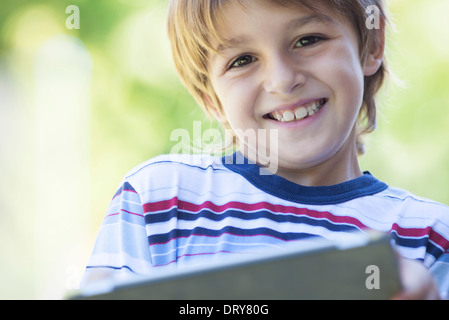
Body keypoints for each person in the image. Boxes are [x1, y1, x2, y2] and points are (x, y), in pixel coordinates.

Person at [81, 0, 449, 299]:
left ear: (372, 44)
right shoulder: (160, 199)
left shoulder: (429, 235)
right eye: (242, 60)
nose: (283, 80)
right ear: (211, 99)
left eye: (308, 40)